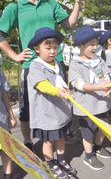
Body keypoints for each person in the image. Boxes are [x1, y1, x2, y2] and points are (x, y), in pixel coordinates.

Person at [0, 0, 85, 149]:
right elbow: (1, 34)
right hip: (32, 65)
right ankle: (28, 141)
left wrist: (77, 2)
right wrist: (14, 56)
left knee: (61, 98)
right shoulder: (14, 7)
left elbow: (68, 24)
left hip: (56, 62)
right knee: (28, 106)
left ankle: (63, 132)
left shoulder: (51, 3)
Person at [27, 27, 77, 178]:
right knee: (49, 142)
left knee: (61, 138)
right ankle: (51, 165)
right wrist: (58, 91)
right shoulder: (35, 66)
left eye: (55, 48)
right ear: (36, 48)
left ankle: (61, 161)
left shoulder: (56, 63)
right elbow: (42, 85)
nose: (52, 51)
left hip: (60, 111)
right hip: (47, 113)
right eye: (48, 48)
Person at [68, 26, 111, 171]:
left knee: (102, 129)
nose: (95, 47)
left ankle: (99, 147)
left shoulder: (99, 60)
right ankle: (89, 156)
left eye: (96, 43)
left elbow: (106, 75)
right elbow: (79, 85)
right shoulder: (75, 64)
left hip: (101, 103)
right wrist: (99, 87)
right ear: (81, 46)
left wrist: (107, 84)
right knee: (88, 133)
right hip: (86, 107)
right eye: (91, 44)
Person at [0, 70, 17, 179]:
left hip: (2, 120)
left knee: (5, 149)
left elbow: (4, 94)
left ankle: (8, 175)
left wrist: (11, 116)